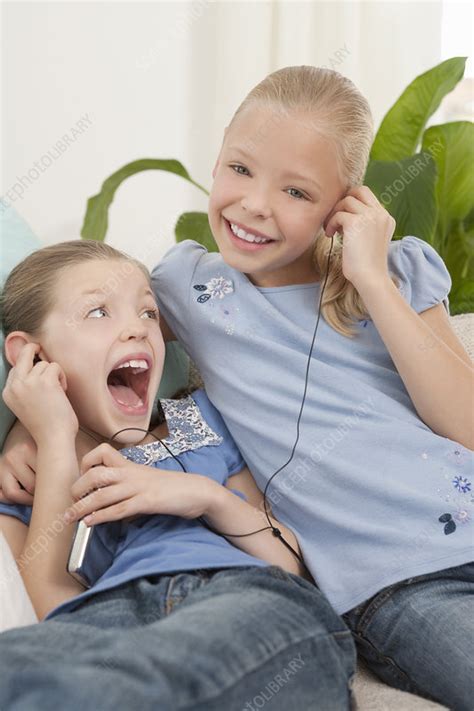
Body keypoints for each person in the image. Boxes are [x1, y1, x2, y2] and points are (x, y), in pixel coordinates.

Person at [148, 66, 473, 711]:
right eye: (239, 169)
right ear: (215, 161)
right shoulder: (188, 289)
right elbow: (80, 336)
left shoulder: (397, 272)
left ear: (344, 204)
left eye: (296, 191)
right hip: (401, 583)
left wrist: (373, 282)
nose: (255, 204)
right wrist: (23, 433)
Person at [0, 240, 356, 710]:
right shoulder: (28, 477)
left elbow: (288, 562)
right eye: (98, 313)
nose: (136, 329)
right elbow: (51, 609)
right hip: (103, 625)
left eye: (148, 313)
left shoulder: (200, 423)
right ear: (33, 357)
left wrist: (202, 495)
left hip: (241, 595)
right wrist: (53, 438)